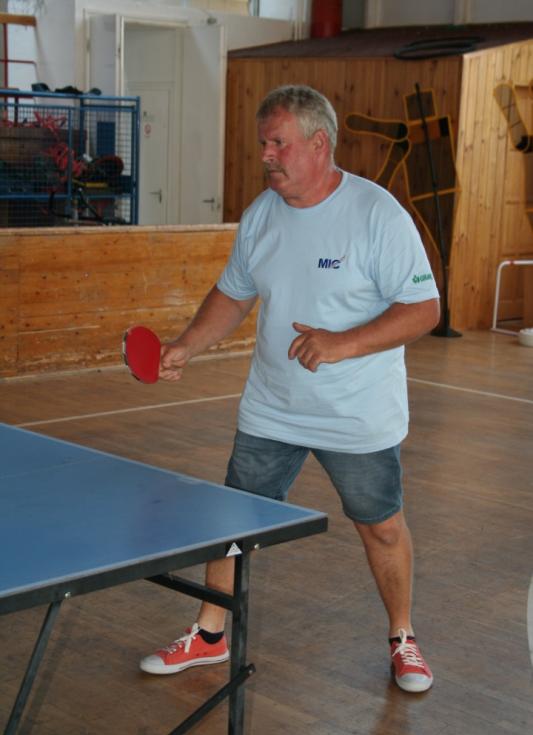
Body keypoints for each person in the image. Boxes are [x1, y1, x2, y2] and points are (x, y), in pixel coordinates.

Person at [140, 85, 441, 693]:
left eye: (278, 143)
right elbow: (234, 293)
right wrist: (187, 344)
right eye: (263, 144)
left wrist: (341, 343)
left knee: (381, 527)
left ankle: (403, 636)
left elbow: (424, 309)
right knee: (230, 520)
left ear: (319, 143)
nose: (266, 156)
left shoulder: (377, 215)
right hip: (271, 409)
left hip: (355, 414)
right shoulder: (262, 215)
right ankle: (210, 635)